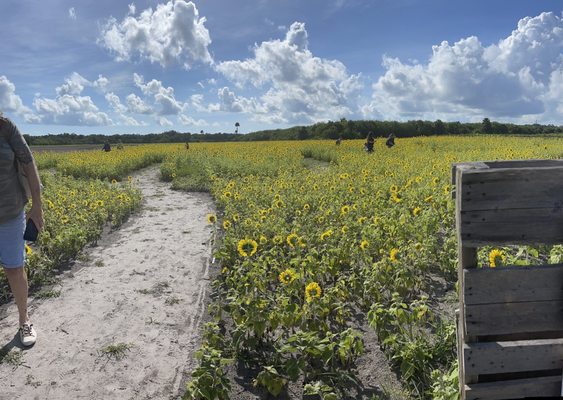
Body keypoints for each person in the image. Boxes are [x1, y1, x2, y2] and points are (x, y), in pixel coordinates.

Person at [0, 115, 43, 346]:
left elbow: (28, 163)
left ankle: (24, 319)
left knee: (14, 269)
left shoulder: (5, 127)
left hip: (9, 213)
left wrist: (37, 206)